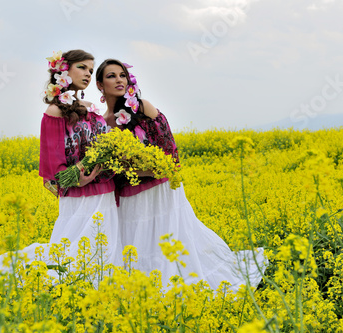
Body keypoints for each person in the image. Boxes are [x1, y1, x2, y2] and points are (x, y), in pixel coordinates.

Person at [95, 59, 266, 291]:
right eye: (111, 76)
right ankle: (147, 291)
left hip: (160, 190)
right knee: (140, 245)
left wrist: (144, 170)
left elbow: (169, 149)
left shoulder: (142, 107)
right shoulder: (101, 124)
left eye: (122, 75)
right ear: (99, 85)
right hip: (130, 196)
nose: (119, 80)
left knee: (173, 242)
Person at [0, 50, 122, 280]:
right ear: (64, 70)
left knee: (104, 254)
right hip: (79, 197)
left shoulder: (91, 108)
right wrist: (81, 178)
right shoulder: (54, 112)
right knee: (71, 255)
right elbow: (53, 171)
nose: (88, 74)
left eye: (91, 70)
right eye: (82, 67)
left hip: (106, 193)